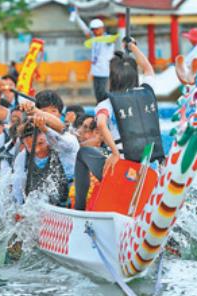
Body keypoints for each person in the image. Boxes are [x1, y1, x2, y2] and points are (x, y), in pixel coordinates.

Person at [73, 39, 165, 210]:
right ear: (134, 77)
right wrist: (133, 47)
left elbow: (100, 124)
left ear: (112, 80)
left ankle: (79, 208)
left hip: (123, 171)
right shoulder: (147, 92)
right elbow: (148, 68)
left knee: (82, 153)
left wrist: (114, 153)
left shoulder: (106, 104)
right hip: (150, 169)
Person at [73, 14, 115, 103]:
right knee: (97, 94)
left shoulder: (107, 38)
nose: (95, 31)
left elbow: (111, 40)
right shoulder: (94, 40)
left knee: (104, 94)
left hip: (106, 72)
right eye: (93, 30)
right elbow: (85, 30)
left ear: (102, 28)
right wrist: (76, 17)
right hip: (96, 71)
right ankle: (99, 111)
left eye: (97, 29)